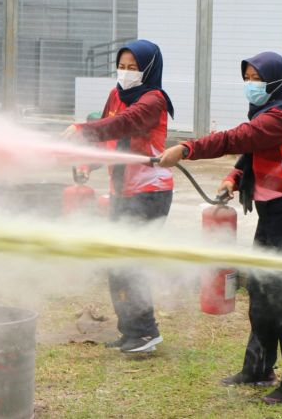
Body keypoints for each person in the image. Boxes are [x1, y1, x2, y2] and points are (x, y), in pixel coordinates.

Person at [158, 51, 282, 405]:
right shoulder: (267, 116)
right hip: (273, 215)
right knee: (262, 296)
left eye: (258, 78)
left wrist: (187, 148)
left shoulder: (279, 117)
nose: (251, 84)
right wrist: (234, 178)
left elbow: (235, 139)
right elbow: (249, 153)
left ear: (277, 80)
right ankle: (259, 368)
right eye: (247, 77)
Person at [62, 39, 174, 354]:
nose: (125, 73)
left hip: (149, 192)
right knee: (117, 261)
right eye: (121, 67)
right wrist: (89, 162)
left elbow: (123, 123)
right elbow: (112, 138)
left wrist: (85, 128)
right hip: (121, 189)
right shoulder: (116, 94)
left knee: (130, 261)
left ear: (149, 69)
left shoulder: (154, 100)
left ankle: (145, 333)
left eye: (133, 68)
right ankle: (130, 330)